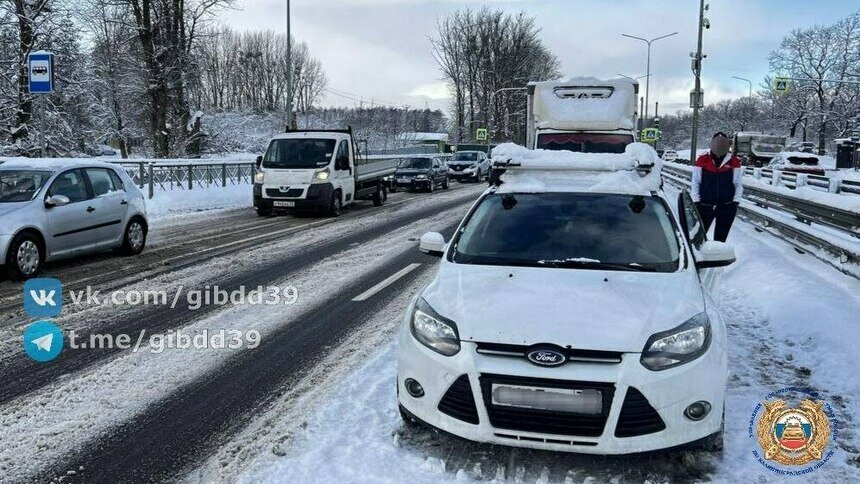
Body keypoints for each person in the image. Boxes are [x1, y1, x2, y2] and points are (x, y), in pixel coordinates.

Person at [691, 132, 743, 242]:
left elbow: (737, 183)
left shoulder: (734, 161)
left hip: (727, 205)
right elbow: (696, 181)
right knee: (698, 238)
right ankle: (697, 257)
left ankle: (717, 257)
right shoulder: (702, 160)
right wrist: (696, 200)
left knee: (720, 240)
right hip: (705, 205)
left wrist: (735, 202)